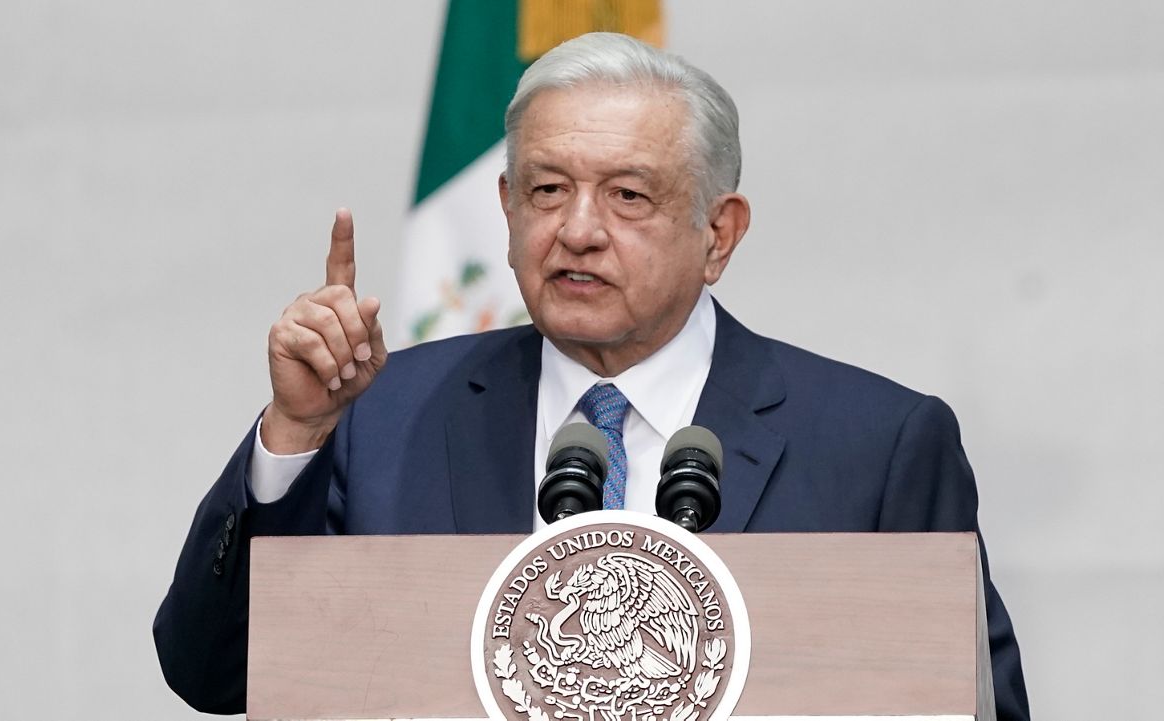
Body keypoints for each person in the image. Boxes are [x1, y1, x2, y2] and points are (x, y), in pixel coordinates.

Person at [154, 32, 1029, 719]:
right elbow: (211, 671)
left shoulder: (876, 444)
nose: (577, 230)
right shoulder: (384, 416)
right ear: (505, 211)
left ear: (718, 233)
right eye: (545, 190)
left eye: (628, 196)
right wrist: (296, 435)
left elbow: (973, 708)